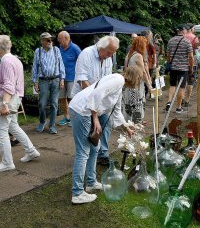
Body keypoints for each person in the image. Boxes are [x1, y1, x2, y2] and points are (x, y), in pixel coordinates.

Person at [69, 66, 140, 204]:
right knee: (83, 152)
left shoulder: (119, 86)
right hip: (81, 111)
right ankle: (77, 193)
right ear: (135, 77)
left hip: (84, 111)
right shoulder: (118, 79)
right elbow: (97, 93)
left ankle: (90, 183)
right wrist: (95, 118)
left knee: (95, 148)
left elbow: (116, 112)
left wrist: (126, 128)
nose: (139, 81)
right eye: (139, 78)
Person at [0, 35, 40, 172]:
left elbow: (8, 85)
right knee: (13, 126)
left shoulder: (6, 62)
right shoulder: (15, 60)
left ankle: (7, 162)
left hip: (8, 99)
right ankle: (31, 150)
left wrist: (4, 104)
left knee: (1, 130)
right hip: (15, 97)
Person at [71, 36, 119, 166]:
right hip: (83, 101)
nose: (110, 56)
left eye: (113, 53)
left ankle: (102, 154)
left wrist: (101, 101)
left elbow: (106, 81)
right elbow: (82, 81)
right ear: (101, 47)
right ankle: (87, 156)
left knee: (105, 124)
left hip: (99, 101)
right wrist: (95, 101)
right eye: (109, 52)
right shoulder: (86, 54)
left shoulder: (107, 58)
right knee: (89, 130)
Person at [32, 32, 65, 134]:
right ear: (42, 41)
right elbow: (34, 67)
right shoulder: (38, 51)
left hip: (55, 80)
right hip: (43, 80)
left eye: (51, 39)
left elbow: (61, 65)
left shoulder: (56, 50)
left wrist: (62, 79)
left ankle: (52, 125)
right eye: (48, 40)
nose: (50, 41)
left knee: (54, 104)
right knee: (42, 104)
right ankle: (42, 122)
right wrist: (35, 82)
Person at [123, 36, 152, 122]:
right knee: (137, 103)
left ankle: (129, 123)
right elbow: (143, 72)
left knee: (129, 104)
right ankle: (137, 122)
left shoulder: (129, 54)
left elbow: (125, 69)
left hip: (129, 83)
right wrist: (149, 85)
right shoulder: (138, 56)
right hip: (137, 84)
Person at [165, 24, 194, 113]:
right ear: (183, 31)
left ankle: (169, 102)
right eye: (186, 30)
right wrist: (191, 68)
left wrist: (170, 63)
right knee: (181, 87)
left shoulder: (171, 41)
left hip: (173, 67)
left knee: (172, 85)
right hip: (183, 68)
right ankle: (178, 107)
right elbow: (191, 57)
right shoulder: (186, 42)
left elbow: (168, 55)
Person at [57, 31, 81, 127]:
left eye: (60, 39)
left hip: (72, 77)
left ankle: (73, 118)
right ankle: (66, 117)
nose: (58, 40)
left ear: (66, 38)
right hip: (61, 78)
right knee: (62, 98)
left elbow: (82, 60)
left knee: (73, 99)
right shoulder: (59, 49)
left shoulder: (75, 48)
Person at [183, 23, 200, 106]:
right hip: (191, 62)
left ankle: (182, 98)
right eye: (194, 28)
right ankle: (187, 100)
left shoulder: (182, 37)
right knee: (191, 81)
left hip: (181, 62)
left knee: (183, 82)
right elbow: (197, 50)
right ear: (191, 28)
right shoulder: (194, 38)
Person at [141, 30, 157, 98]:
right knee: (146, 79)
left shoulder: (150, 44)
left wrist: (155, 63)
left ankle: (150, 94)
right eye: (150, 36)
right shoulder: (141, 43)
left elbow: (154, 55)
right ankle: (146, 93)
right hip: (143, 64)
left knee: (149, 79)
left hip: (149, 64)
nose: (151, 37)